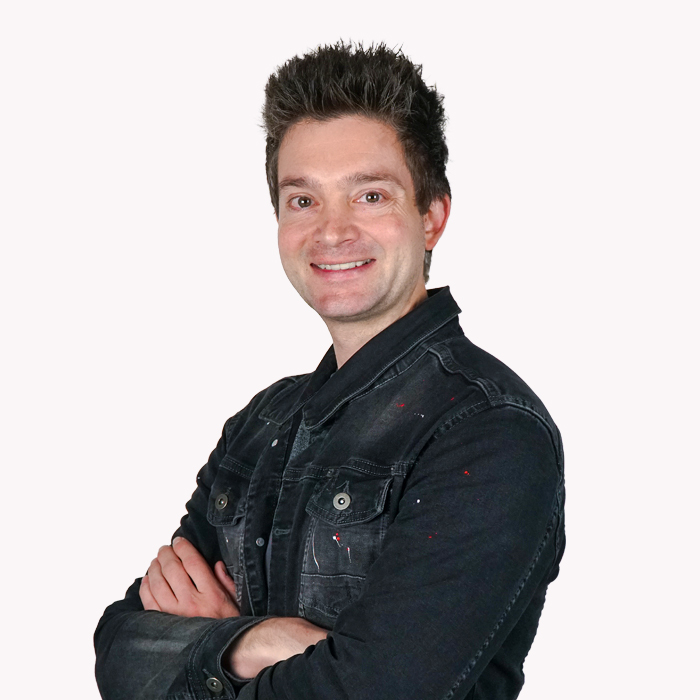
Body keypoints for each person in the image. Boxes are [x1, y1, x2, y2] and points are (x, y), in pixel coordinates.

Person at [95, 42, 565, 700]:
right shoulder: (260, 425)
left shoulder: (487, 431)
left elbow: (383, 689)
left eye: (370, 195)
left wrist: (209, 650)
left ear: (431, 217)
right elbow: (120, 653)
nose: (332, 231)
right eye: (303, 200)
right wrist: (258, 640)